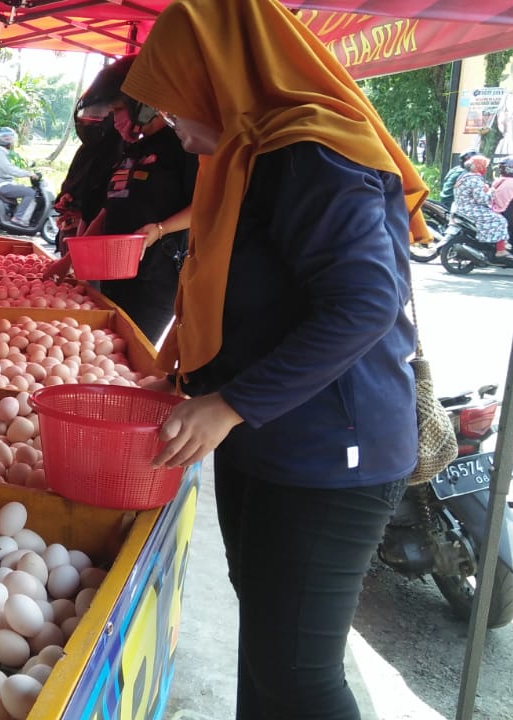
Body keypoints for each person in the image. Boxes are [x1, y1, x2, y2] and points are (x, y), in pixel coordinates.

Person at [121, 1, 426, 718]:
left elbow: (364, 304)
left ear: (218, 77)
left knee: (298, 675)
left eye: (176, 107)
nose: (176, 130)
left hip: (329, 451)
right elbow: (229, 284)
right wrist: (184, 373)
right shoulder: (247, 156)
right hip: (268, 437)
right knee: (267, 649)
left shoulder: (311, 152)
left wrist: (230, 404)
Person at [46, 57, 198, 343]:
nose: (114, 119)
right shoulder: (132, 149)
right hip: (114, 272)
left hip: (155, 278)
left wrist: (159, 230)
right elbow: (109, 209)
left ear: (143, 104)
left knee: (130, 349)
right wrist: (68, 260)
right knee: (106, 345)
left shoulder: (183, 146)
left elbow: (205, 205)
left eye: (118, 109)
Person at [54, 57, 131, 241]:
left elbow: (111, 206)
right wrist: (66, 200)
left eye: (117, 110)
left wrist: (83, 219)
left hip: (99, 241)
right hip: (76, 236)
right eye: (87, 115)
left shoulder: (125, 153)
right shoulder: (86, 152)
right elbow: (73, 186)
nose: (89, 121)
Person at [451, 155, 513, 260]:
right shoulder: (475, 179)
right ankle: (500, 250)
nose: (486, 169)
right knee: (500, 220)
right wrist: (491, 192)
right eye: (485, 166)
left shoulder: (463, 177)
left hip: (461, 208)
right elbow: (482, 199)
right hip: (471, 210)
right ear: (479, 167)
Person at [0, 127, 38, 224]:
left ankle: (17, 215)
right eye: (11, 139)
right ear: (4, 140)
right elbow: (9, 169)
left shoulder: (1, 152)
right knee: (29, 192)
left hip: (4, 183)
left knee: (26, 189)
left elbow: (9, 168)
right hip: (1, 185)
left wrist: (26, 171)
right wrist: (28, 174)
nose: (12, 142)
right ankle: (18, 219)